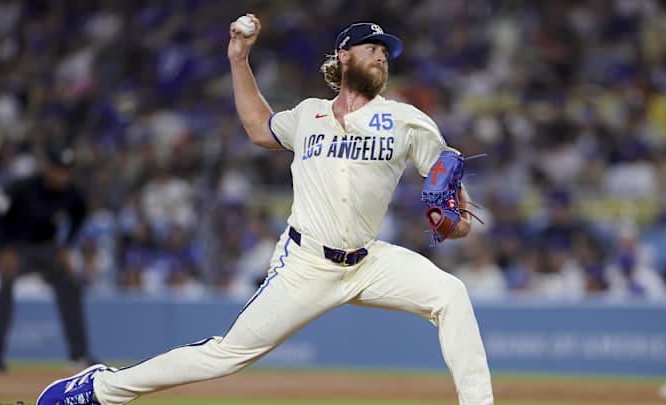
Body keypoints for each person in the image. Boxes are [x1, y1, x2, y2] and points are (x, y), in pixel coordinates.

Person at [37, 16, 494, 405]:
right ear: (344, 57)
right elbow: (258, 127)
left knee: (450, 294)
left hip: (369, 260)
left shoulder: (407, 120)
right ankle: (100, 388)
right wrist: (238, 58)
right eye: (371, 48)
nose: (381, 57)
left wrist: (452, 219)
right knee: (225, 355)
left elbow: (453, 205)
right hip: (306, 264)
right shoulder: (308, 115)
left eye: (385, 53)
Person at [0, 144, 96, 372]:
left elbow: (80, 214)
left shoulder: (71, 192)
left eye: (68, 170)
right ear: (47, 167)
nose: (64, 175)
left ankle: (79, 356)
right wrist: (5, 248)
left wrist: (67, 246)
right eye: (59, 169)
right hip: (17, 247)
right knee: (6, 285)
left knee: (70, 286)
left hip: (48, 247)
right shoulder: (22, 187)